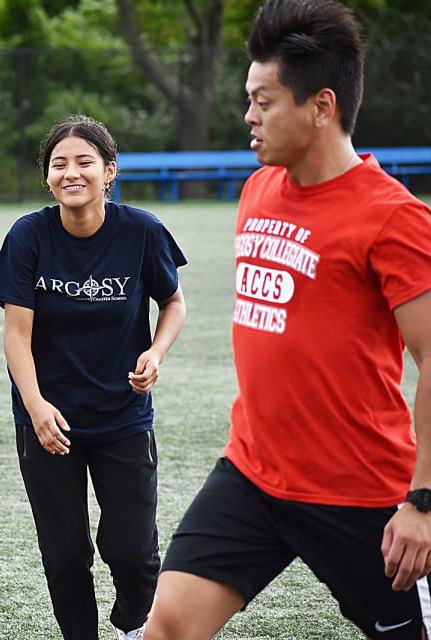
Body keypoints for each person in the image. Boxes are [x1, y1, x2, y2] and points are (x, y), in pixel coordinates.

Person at [144, 1, 431, 638]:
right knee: (167, 626)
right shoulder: (259, 189)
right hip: (253, 473)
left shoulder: (395, 218)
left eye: (263, 101)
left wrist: (424, 500)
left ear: (321, 106)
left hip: (363, 495)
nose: (248, 116)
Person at [0, 114, 187, 640]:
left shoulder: (141, 230)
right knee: (64, 552)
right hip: (48, 420)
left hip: (122, 417)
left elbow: (173, 304)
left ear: (109, 170)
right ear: (47, 177)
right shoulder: (28, 235)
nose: (70, 173)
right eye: (59, 164)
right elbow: (15, 334)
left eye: (84, 162)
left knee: (133, 549)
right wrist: (35, 407)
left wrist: (157, 353)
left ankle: (128, 628)